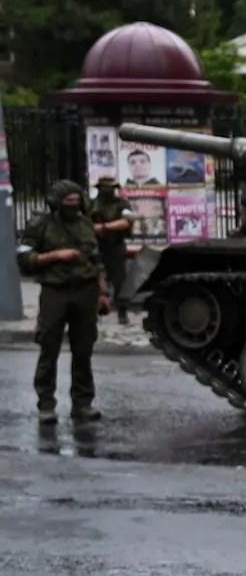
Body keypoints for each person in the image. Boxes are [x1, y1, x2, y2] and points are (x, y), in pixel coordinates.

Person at [17, 180, 111, 424]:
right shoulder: (41, 224)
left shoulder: (84, 223)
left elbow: (96, 258)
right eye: (68, 201)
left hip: (85, 291)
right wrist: (54, 256)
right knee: (49, 348)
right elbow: (24, 257)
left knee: (84, 350)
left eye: (76, 200)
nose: (73, 204)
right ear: (56, 202)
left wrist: (103, 292)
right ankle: (46, 404)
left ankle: (83, 403)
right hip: (55, 291)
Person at [90, 176, 136, 326]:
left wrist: (104, 227)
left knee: (119, 281)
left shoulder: (122, 204)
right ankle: (95, 310)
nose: (107, 190)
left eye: (109, 187)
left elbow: (127, 221)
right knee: (93, 279)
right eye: (104, 187)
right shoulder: (91, 204)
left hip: (115, 246)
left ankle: (122, 311)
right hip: (94, 246)